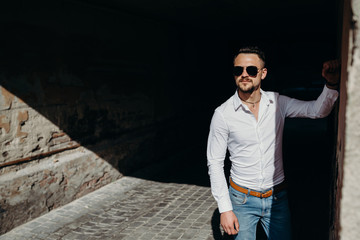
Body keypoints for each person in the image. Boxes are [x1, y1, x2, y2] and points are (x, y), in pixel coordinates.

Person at [206, 46, 339, 239]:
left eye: (251, 70)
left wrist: (331, 85)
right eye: (238, 70)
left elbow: (316, 110)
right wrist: (225, 209)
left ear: (263, 73)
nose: (244, 75)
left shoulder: (277, 103)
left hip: (277, 199)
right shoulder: (223, 114)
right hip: (241, 199)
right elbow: (215, 163)